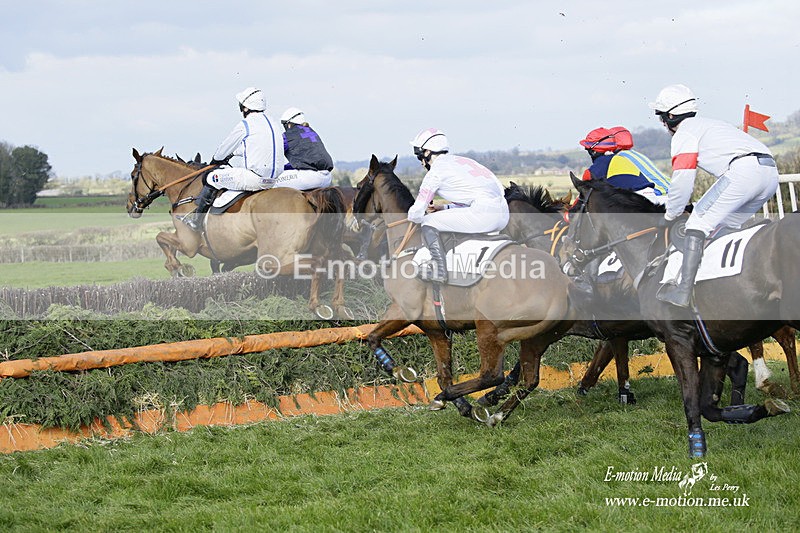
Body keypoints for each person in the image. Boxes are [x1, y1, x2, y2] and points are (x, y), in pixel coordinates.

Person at [650, 84, 778, 307]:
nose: (662, 123)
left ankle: (683, 292)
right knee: (724, 226)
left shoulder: (683, 134)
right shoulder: (710, 124)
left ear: (670, 116)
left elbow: (682, 181)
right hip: (770, 173)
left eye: (661, 117)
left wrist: (670, 215)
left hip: (743, 172)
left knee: (696, 224)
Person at [408, 128, 510, 283]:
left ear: (427, 152)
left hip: (484, 215)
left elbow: (416, 213)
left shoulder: (435, 173)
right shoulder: (464, 161)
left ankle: (439, 270)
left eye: (419, 156)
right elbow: (473, 198)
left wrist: (411, 215)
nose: (421, 162)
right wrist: (444, 208)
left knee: (427, 222)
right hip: (503, 214)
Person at [181, 87, 285, 232]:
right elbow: (254, 147)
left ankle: (196, 222)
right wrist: (235, 153)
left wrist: (215, 161)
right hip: (274, 180)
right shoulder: (273, 123)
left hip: (254, 178)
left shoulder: (246, 124)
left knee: (210, 178)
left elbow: (224, 148)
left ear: (245, 107)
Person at [579, 126, 671, 205]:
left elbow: (585, 196)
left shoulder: (616, 159)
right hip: (664, 194)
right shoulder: (632, 155)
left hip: (649, 199)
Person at [274, 107, 335, 190]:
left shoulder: (288, 136)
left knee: (270, 182)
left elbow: (273, 153)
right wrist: (286, 167)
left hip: (309, 178)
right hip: (327, 178)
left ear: (289, 124)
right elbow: (305, 160)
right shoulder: (312, 132)